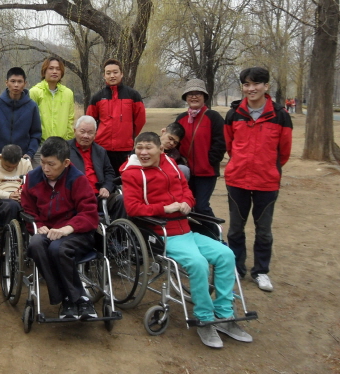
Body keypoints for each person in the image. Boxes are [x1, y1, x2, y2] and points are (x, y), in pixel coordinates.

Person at [121, 132, 252, 349]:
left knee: (226, 255)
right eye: (139, 147)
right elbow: (133, 208)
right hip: (162, 233)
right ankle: (204, 319)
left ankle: (224, 315)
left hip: (186, 230)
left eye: (148, 147)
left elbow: (187, 192)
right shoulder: (131, 173)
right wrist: (164, 208)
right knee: (198, 263)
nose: (143, 152)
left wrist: (187, 203)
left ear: (160, 149)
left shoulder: (172, 165)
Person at [224, 67, 292, 293]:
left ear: (266, 86)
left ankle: (261, 271)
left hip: (266, 182)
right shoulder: (234, 114)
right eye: (246, 84)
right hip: (237, 180)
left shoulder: (281, 115)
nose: (251, 89)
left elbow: (284, 152)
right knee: (235, 228)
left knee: (263, 230)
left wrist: (268, 168)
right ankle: (237, 267)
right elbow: (230, 146)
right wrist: (240, 163)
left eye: (256, 84)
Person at [20, 136, 99, 320]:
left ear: (66, 163)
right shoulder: (32, 178)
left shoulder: (77, 179)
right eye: (42, 162)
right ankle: (67, 297)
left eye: (51, 164)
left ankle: (76, 298)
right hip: (47, 230)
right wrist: (38, 225)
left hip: (76, 233)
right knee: (36, 244)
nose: (45, 168)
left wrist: (68, 228)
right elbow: (28, 208)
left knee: (58, 248)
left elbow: (89, 213)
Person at [174, 79, 226, 221]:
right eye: (190, 94)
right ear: (186, 97)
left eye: (198, 93)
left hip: (206, 172)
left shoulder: (213, 117)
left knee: (202, 206)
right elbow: (174, 143)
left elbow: (221, 142)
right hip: (185, 172)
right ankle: (198, 232)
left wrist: (211, 160)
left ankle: (215, 231)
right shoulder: (181, 118)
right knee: (187, 206)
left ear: (204, 97)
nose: (194, 97)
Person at [86, 58, 146, 172]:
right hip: (102, 147)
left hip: (125, 148)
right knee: (103, 177)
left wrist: (129, 135)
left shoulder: (133, 95)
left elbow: (140, 120)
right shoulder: (97, 97)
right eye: (108, 73)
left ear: (121, 74)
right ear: (104, 75)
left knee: (123, 178)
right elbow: (89, 121)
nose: (112, 76)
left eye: (115, 72)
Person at [0, 67, 42, 164]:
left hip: (22, 159)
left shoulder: (32, 106)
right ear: (6, 83)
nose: (16, 85)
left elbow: (35, 134)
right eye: (13, 81)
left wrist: (30, 153)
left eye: (19, 81)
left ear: (25, 84)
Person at [67, 115, 125, 220]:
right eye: (82, 131)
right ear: (75, 131)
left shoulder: (100, 151)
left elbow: (109, 172)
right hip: (75, 196)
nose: (86, 136)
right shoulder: (65, 149)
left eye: (90, 133)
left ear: (95, 135)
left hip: (98, 195)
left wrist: (106, 187)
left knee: (121, 200)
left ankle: (116, 230)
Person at [0, 143, 33, 228]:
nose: (10, 169)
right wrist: (9, 195)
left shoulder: (25, 164)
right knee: (12, 205)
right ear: (1, 157)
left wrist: (23, 195)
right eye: (7, 166)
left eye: (14, 167)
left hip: (21, 196)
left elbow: (30, 185)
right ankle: (8, 231)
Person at [29, 56, 75, 145]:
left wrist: (69, 142)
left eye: (58, 69)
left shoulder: (68, 93)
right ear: (44, 71)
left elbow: (70, 121)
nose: (54, 71)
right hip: (40, 145)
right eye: (51, 68)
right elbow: (29, 121)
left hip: (62, 144)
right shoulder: (34, 92)